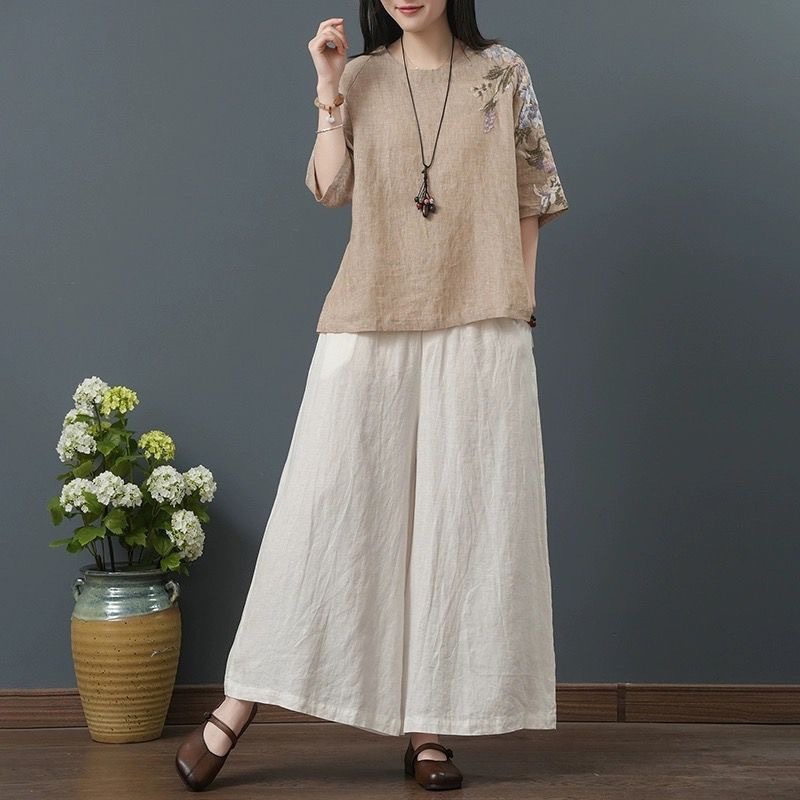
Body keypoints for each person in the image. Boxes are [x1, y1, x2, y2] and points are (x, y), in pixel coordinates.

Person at [175, 0, 569, 792]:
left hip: (480, 323)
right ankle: (238, 705)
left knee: (460, 526)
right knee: (323, 514)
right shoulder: (359, 77)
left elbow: (532, 192)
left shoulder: (502, 72)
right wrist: (328, 88)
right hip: (372, 311)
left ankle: (429, 731)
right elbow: (330, 187)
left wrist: (520, 306)